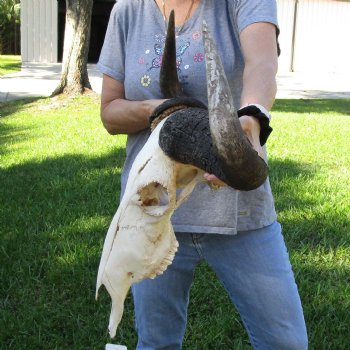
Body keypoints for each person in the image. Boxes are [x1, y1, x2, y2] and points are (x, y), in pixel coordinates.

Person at [97, 0, 308, 349]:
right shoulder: (127, 11)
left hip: (238, 211)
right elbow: (110, 113)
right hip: (152, 209)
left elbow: (262, 63)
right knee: (157, 343)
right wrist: (161, 111)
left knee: (285, 343)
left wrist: (251, 118)